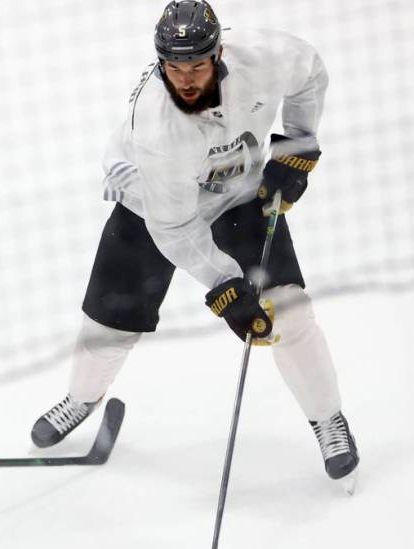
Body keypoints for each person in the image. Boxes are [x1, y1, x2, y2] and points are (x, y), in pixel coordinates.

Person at [30, 1, 359, 490]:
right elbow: (177, 229)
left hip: (241, 196)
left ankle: (327, 417)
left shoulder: (264, 55)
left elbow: (309, 71)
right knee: (108, 322)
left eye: (197, 66)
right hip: (153, 206)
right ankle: (84, 396)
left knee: (289, 311)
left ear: (220, 52)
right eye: (174, 68)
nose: (184, 80)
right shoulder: (159, 131)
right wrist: (227, 289)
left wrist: (296, 144)